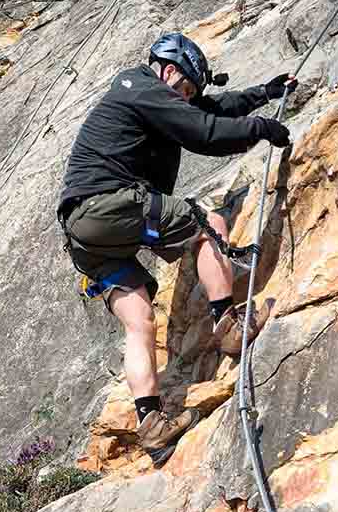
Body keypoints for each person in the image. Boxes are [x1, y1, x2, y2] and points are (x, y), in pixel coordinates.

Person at [58, 31, 294, 466]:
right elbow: (203, 131)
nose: (186, 98)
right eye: (185, 88)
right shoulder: (140, 86)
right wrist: (260, 129)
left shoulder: (145, 95)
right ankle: (229, 326)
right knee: (207, 224)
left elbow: (207, 110)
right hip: (109, 204)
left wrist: (263, 94)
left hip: (83, 232)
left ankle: (151, 426)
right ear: (168, 71)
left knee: (139, 321)